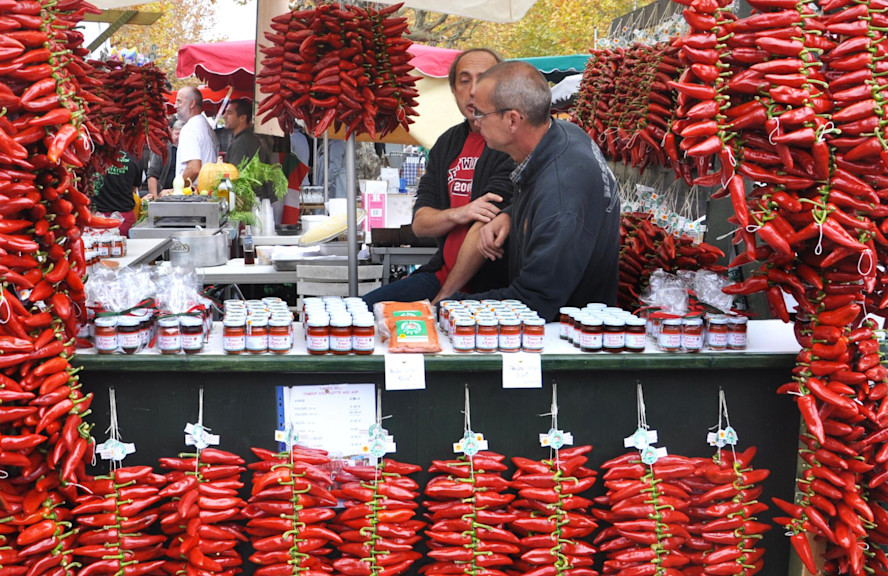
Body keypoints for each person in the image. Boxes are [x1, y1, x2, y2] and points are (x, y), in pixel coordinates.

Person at [442, 61, 621, 321]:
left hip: (564, 339)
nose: (476, 123)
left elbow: (533, 302)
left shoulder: (561, 195)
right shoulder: (564, 135)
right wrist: (510, 214)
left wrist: (446, 307)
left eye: (480, 114)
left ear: (512, 120)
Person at [362, 48, 515, 307]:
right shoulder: (447, 143)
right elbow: (421, 224)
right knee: (363, 310)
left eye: (484, 78)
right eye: (464, 81)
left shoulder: (509, 141)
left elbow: (486, 224)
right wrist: (461, 213)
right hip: (439, 275)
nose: (474, 90)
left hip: (489, 286)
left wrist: (442, 300)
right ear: (453, 90)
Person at [174, 86, 219, 183]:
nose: (175, 106)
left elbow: (194, 168)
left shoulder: (190, 128)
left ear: (192, 103)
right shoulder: (207, 127)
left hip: (193, 195)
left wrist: (176, 189)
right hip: (207, 191)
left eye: (179, 101)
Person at [92, 151, 142, 236]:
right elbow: (133, 188)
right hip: (123, 219)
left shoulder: (93, 154)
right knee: (125, 248)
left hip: (97, 219)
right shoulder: (134, 157)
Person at [146, 119, 181, 200]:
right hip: (164, 196)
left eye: (182, 134)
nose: (179, 137)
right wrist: (155, 199)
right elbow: (152, 174)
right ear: (171, 132)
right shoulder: (163, 148)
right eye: (177, 134)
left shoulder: (189, 150)